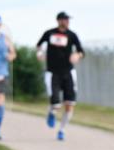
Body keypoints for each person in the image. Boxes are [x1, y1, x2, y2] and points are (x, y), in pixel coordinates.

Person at [36, 12, 85, 141]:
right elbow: (39, 45)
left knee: (69, 105)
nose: (67, 22)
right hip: (53, 72)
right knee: (56, 103)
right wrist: (40, 53)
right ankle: (52, 112)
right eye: (65, 19)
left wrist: (77, 55)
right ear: (59, 20)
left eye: (68, 19)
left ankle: (62, 130)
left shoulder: (72, 35)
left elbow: (81, 51)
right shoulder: (49, 33)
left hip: (68, 72)